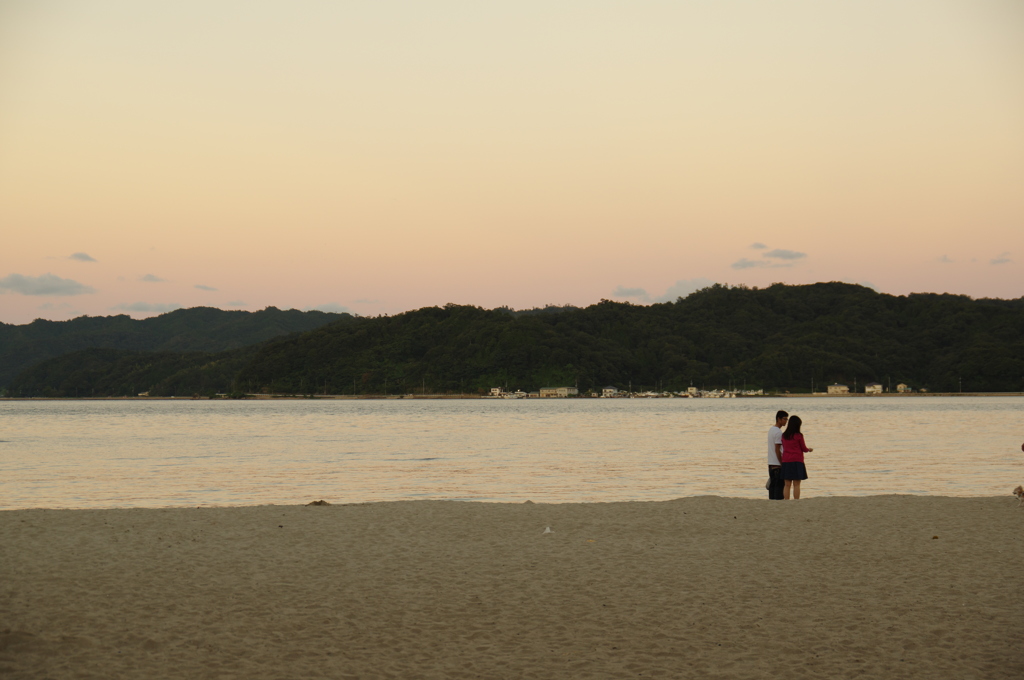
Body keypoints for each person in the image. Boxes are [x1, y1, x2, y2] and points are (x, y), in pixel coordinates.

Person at [781, 415, 812, 499]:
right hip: (797, 461)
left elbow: (784, 447)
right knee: (796, 484)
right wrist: (809, 449)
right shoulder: (799, 436)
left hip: (786, 460)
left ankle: (786, 500)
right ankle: (796, 501)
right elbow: (803, 448)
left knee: (787, 484)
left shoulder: (784, 435)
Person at [766, 410, 788, 500]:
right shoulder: (778, 432)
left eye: (787, 419)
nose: (786, 421)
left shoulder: (771, 429)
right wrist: (782, 463)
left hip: (771, 463)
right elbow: (777, 449)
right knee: (778, 488)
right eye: (784, 419)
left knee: (772, 487)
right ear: (778, 419)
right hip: (776, 464)